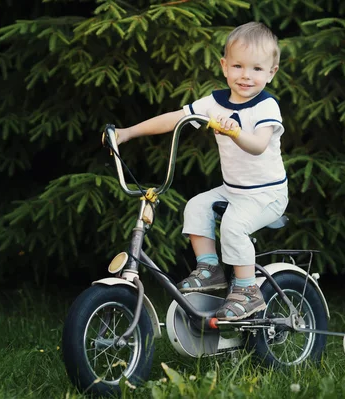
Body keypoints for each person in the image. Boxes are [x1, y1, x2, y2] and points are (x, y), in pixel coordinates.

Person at [115, 22, 288, 321]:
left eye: (257, 69)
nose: (246, 75)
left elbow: (259, 145)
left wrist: (235, 133)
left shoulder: (266, 107)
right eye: (238, 66)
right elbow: (174, 118)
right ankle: (210, 269)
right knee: (196, 207)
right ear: (224, 67)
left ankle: (247, 291)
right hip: (233, 190)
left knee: (233, 226)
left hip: (267, 195)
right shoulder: (214, 102)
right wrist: (127, 133)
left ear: (271, 72)